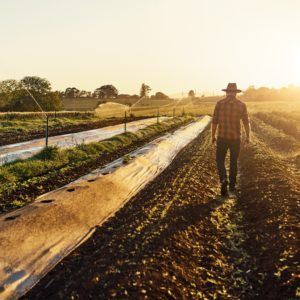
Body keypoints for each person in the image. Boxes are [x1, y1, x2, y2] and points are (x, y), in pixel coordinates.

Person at [211, 83, 250, 196]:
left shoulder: (219, 103)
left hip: (222, 137)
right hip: (236, 138)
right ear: (236, 93)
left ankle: (223, 179)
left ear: (227, 92)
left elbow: (214, 122)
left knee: (219, 160)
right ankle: (232, 186)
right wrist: (248, 136)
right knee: (233, 162)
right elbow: (246, 122)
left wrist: (213, 136)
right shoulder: (242, 105)